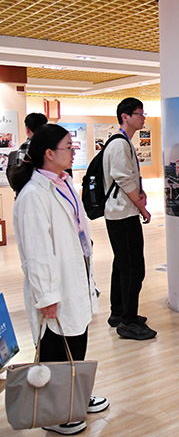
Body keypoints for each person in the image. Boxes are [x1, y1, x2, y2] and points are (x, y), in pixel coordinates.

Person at [13, 124, 109, 435]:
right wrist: (46, 296)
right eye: (68, 146)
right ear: (49, 153)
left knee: (77, 337)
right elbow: (37, 253)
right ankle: (56, 413)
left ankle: (75, 394)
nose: (74, 150)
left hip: (75, 275)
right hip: (56, 285)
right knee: (56, 345)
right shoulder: (33, 196)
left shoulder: (64, 183)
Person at [104, 98, 156, 340]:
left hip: (122, 212)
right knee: (133, 268)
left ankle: (120, 312)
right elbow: (123, 179)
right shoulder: (119, 144)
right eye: (139, 113)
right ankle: (128, 320)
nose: (143, 118)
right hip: (122, 214)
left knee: (122, 265)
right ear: (125, 116)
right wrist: (141, 207)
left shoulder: (122, 142)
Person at [6, 112, 48, 194]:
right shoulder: (54, 145)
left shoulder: (23, 148)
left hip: (27, 193)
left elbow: (17, 181)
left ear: (27, 129)